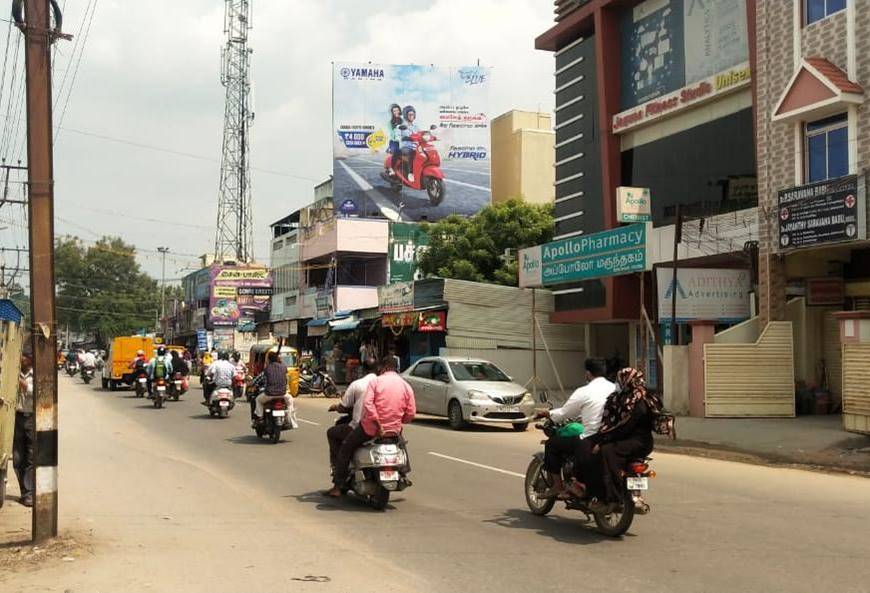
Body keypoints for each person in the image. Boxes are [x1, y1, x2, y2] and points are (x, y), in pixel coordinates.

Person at [324, 356, 416, 498]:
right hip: (393, 431)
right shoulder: (406, 386)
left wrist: (378, 424)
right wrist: (398, 421)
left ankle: (338, 485)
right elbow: (411, 413)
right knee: (401, 444)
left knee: (346, 448)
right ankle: (403, 472)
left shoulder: (376, 382)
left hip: (370, 429)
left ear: (383, 368)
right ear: (396, 368)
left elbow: (368, 405)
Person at [534, 357, 614, 499]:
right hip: (612, 436)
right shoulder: (615, 388)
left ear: (588, 374)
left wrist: (547, 413)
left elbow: (565, 413)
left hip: (591, 436)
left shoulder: (585, 391)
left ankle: (557, 486)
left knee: (552, 444)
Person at [589, 368, 659, 510]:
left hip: (634, 442)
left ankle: (613, 497)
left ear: (627, 381)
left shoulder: (636, 401)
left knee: (606, 452)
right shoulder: (640, 396)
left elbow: (624, 427)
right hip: (643, 442)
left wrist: (604, 440)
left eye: (620, 380)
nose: (618, 383)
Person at [326, 357, 378, 470]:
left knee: (332, 434)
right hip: (383, 428)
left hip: (363, 428)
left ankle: (339, 470)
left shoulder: (357, 384)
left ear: (363, 369)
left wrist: (336, 407)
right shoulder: (383, 384)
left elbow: (344, 406)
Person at [13, 355, 34, 507]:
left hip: (31, 418)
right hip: (16, 418)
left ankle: (28, 493)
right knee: (17, 458)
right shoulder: (12, 372)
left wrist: (21, 383)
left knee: (31, 457)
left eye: (25, 357)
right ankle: (24, 491)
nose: (22, 359)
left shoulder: (37, 374)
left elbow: (35, 391)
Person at [254, 351, 289, 423]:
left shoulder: (267, 369)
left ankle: (260, 417)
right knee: (290, 401)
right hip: (283, 394)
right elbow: (287, 379)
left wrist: (253, 384)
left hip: (269, 394)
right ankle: (288, 418)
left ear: (269, 359)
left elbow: (258, 380)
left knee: (258, 400)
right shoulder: (284, 367)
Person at [399, 105, 420, 182]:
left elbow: (420, 133)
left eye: (413, 114)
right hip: (406, 147)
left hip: (415, 146)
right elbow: (402, 134)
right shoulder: (403, 125)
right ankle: (410, 173)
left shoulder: (416, 125)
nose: (412, 116)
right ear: (405, 115)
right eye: (410, 114)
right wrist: (406, 137)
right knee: (411, 154)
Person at [386, 103, 403, 176]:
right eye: (394, 111)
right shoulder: (390, 122)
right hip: (394, 141)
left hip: (403, 140)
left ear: (399, 111)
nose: (396, 112)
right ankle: (391, 168)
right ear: (392, 113)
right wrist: (397, 138)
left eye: (397, 110)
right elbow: (391, 133)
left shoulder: (403, 120)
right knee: (396, 152)